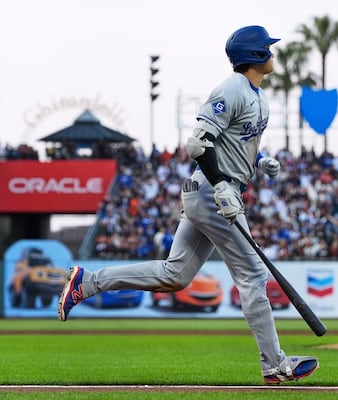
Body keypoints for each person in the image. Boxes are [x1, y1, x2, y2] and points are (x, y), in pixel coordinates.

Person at [57, 25, 318, 384]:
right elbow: (198, 144)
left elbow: (231, 143)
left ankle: (88, 283)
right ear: (256, 55)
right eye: (268, 49)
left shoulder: (258, 96)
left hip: (216, 189)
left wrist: (259, 163)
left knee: (175, 275)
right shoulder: (231, 89)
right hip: (213, 191)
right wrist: (222, 184)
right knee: (254, 276)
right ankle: (275, 365)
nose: (273, 53)